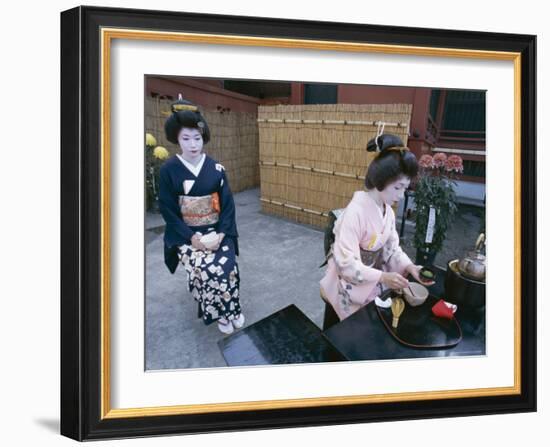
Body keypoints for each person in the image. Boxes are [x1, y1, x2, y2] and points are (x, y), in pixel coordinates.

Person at [320, 133, 432, 324]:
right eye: (398, 188)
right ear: (381, 180)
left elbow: (392, 249)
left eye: (405, 189)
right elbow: (346, 264)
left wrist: (409, 267)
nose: (402, 195)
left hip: (369, 277)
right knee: (356, 328)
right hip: (346, 282)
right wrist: (382, 276)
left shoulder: (387, 211)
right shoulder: (354, 213)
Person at [158, 97, 243, 335]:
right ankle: (221, 314)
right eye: (186, 138)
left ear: (203, 137)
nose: (193, 144)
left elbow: (228, 205)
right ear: (176, 138)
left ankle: (232, 309)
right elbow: (168, 210)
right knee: (206, 269)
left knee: (227, 265)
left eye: (197, 138)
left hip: (217, 230)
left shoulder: (216, 168)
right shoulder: (168, 171)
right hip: (186, 234)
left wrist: (223, 233)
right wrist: (191, 237)